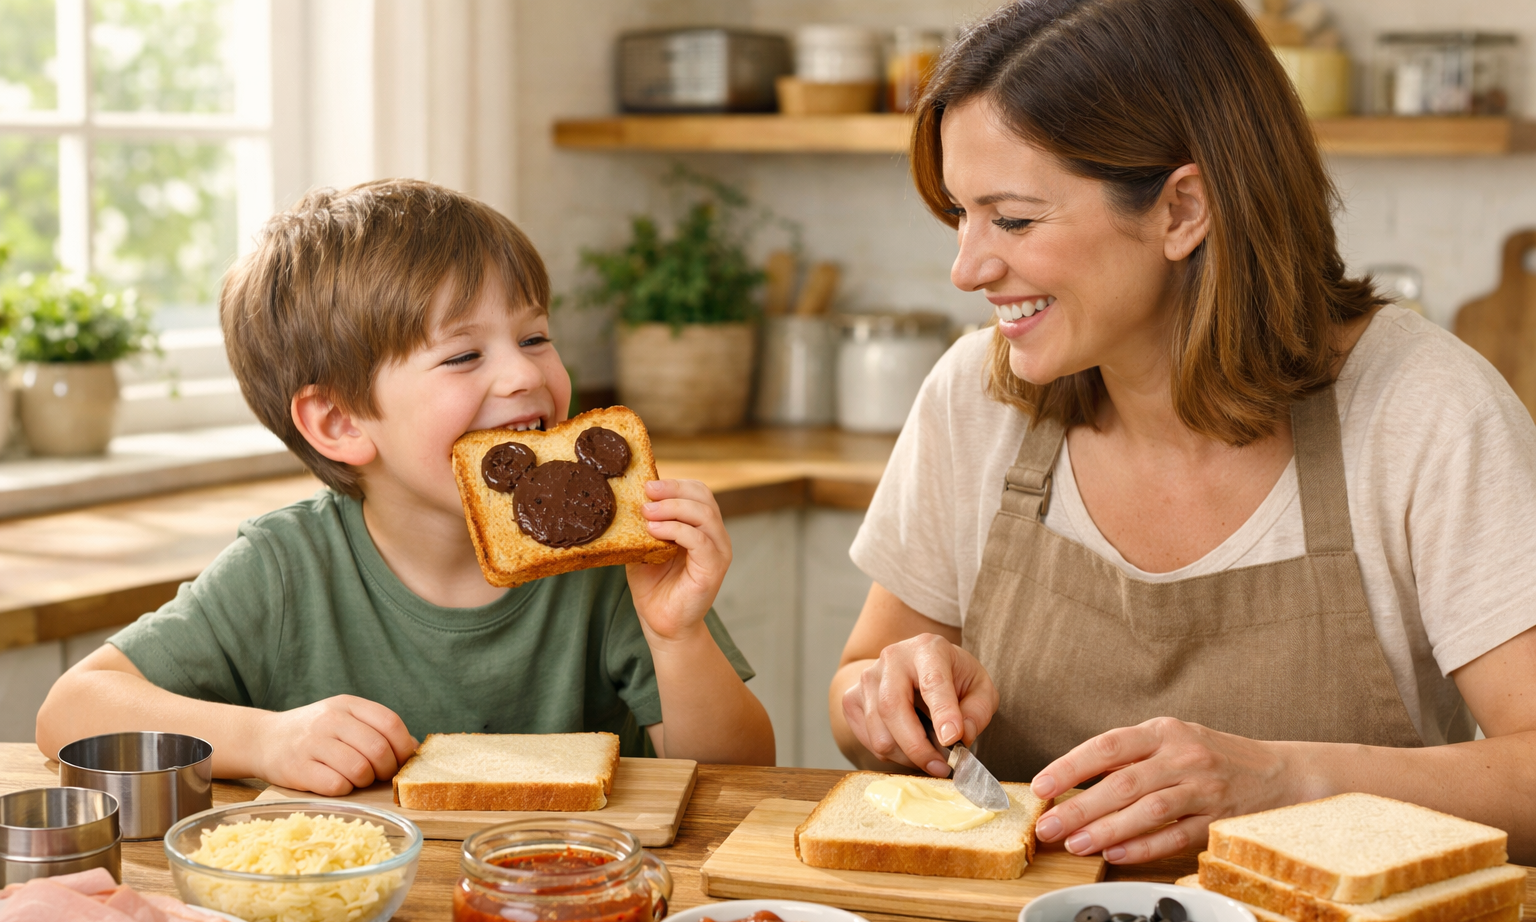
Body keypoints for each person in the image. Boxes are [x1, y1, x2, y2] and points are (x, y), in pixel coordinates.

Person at [830, 0, 1536, 866]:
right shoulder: (976, 397)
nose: (968, 267)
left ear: (1182, 211)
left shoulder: (1427, 411)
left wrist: (1287, 781)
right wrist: (884, 698)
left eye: (1011, 219)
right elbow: (855, 687)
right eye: (960, 215)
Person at [37, 179, 775, 793]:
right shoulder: (288, 568)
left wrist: (677, 635)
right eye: (462, 356)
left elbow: (742, 778)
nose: (524, 374)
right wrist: (265, 740)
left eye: (534, 336)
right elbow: (72, 708)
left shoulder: (611, 563)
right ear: (339, 422)